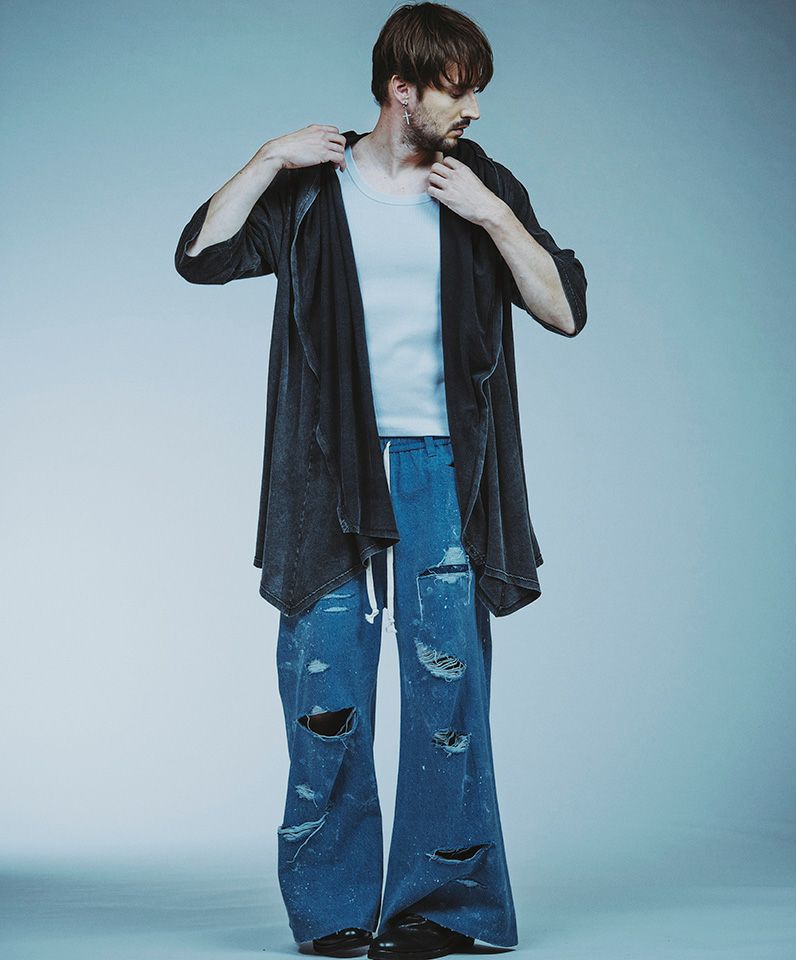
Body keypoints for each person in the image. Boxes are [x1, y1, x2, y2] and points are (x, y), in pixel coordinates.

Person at [174, 3, 588, 957]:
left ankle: (446, 908)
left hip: (443, 469)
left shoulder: (480, 184)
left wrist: (492, 217)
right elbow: (201, 257)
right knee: (324, 689)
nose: (474, 110)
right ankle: (333, 909)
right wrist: (268, 158)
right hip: (331, 473)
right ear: (404, 90)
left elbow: (563, 309)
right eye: (459, 91)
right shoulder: (313, 191)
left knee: (449, 696)